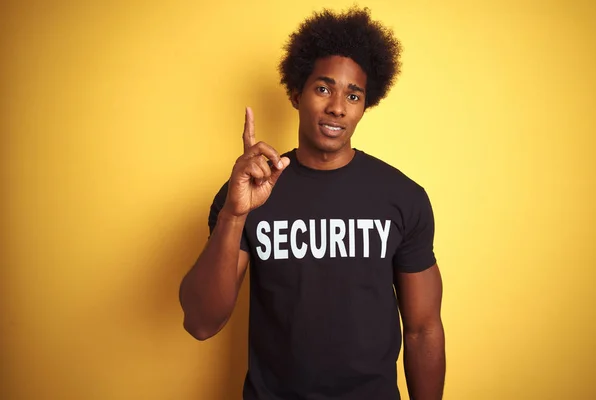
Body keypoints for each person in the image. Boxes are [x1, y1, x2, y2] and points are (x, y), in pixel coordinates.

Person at [179, 6, 445, 400]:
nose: (337, 106)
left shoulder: (402, 198)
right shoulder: (246, 192)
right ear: (295, 93)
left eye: (353, 95)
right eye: (323, 88)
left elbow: (424, 329)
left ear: (364, 105)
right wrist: (235, 216)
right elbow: (201, 322)